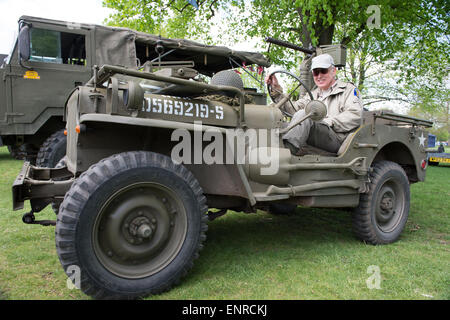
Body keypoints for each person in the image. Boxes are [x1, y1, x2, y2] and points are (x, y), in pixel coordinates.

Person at [266, 53, 363, 155]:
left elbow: (355, 115)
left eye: (323, 71)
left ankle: (287, 152)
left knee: (305, 114)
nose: (319, 76)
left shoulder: (348, 90)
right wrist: (276, 90)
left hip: (337, 139)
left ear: (333, 71)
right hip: (316, 136)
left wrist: (328, 122)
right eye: (316, 73)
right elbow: (293, 110)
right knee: (281, 124)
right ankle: (268, 147)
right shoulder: (313, 94)